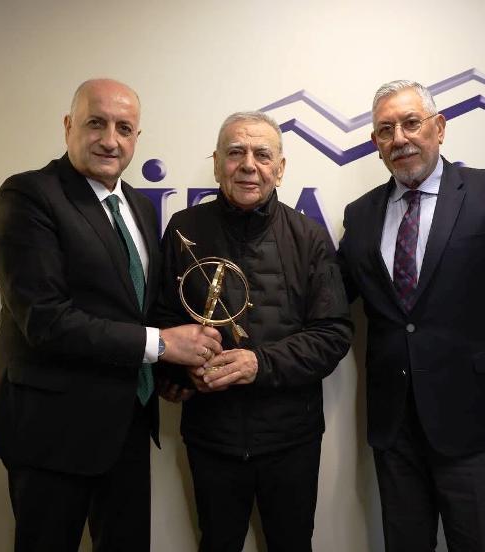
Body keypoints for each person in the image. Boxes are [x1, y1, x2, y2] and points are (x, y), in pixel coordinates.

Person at [0, 78, 222, 552]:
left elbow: (133, 307)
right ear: (68, 126)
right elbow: (45, 320)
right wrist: (163, 345)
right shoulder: (28, 195)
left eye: (124, 128)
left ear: (136, 137)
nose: (110, 140)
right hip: (51, 431)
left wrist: (173, 370)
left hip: (126, 424)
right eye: (96, 123)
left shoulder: (139, 206)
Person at [337, 80, 485, 551]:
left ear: (439, 128)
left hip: (479, 428)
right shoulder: (361, 215)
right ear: (375, 143)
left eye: (411, 123)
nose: (399, 138)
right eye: (386, 130)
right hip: (396, 431)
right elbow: (329, 300)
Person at [155, 111, 352, 552]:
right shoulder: (184, 229)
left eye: (262, 155)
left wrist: (258, 364)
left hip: (291, 439)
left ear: (280, 168)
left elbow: (333, 334)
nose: (248, 165)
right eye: (235, 153)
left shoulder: (309, 238)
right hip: (212, 436)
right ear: (216, 164)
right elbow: (161, 319)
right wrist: (178, 374)